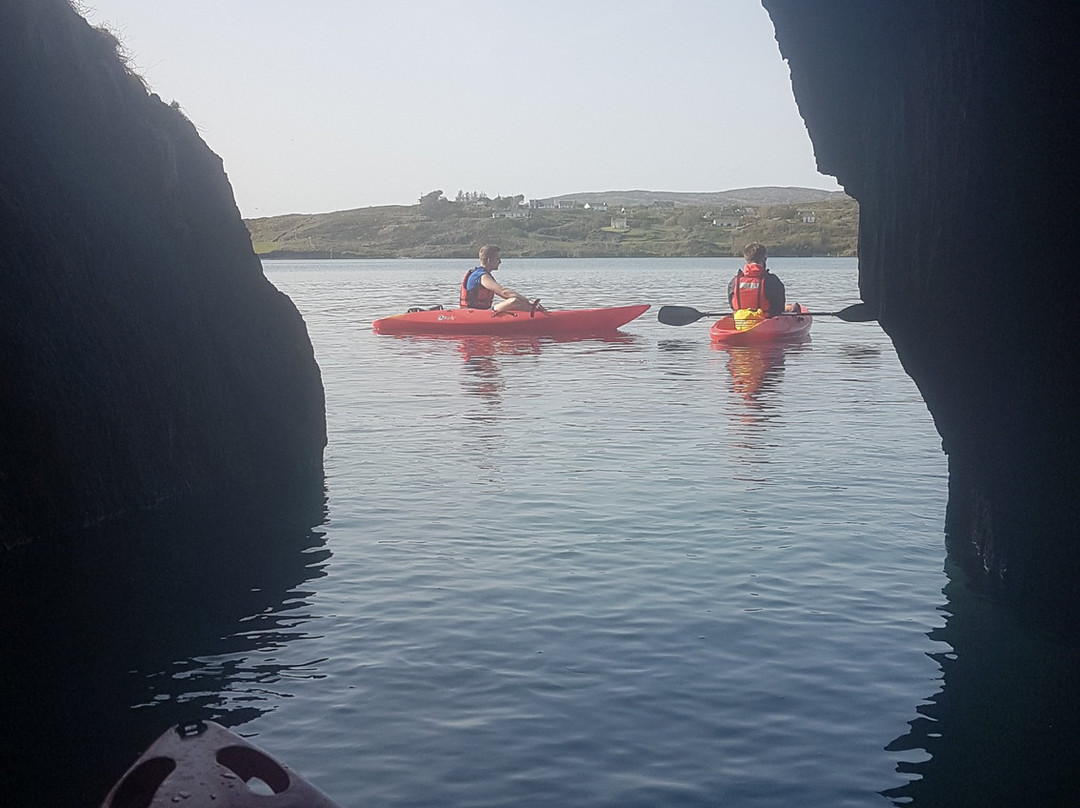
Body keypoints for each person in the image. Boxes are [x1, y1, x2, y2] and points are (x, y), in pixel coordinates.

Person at [460, 245, 541, 314]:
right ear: (489, 260)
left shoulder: (485, 275)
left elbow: (504, 295)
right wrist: (528, 300)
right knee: (514, 301)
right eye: (497, 259)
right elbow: (504, 292)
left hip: (482, 312)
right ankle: (538, 316)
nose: (500, 262)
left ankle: (536, 312)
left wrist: (526, 304)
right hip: (474, 314)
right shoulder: (481, 276)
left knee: (516, 302)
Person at [727, 242, 789, 317]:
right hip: (766, 320)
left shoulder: (734, 281)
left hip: (740, 320)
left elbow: (732, 305)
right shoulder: (772, 280)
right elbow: (779, 308)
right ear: (764, 259)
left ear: (746, 259)